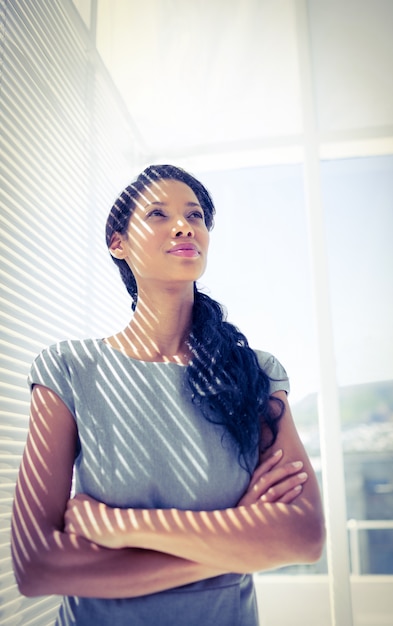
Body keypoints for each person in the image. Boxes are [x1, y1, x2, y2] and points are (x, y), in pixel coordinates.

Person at [11, 164, 325, 626]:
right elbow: (37, 566)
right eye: (158, 214)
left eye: (195, 215)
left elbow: (304, 536)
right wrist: (241, 541)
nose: (184, 225)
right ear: (118, 243)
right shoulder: (69, 370)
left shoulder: (253, 373)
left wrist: (122, 527)